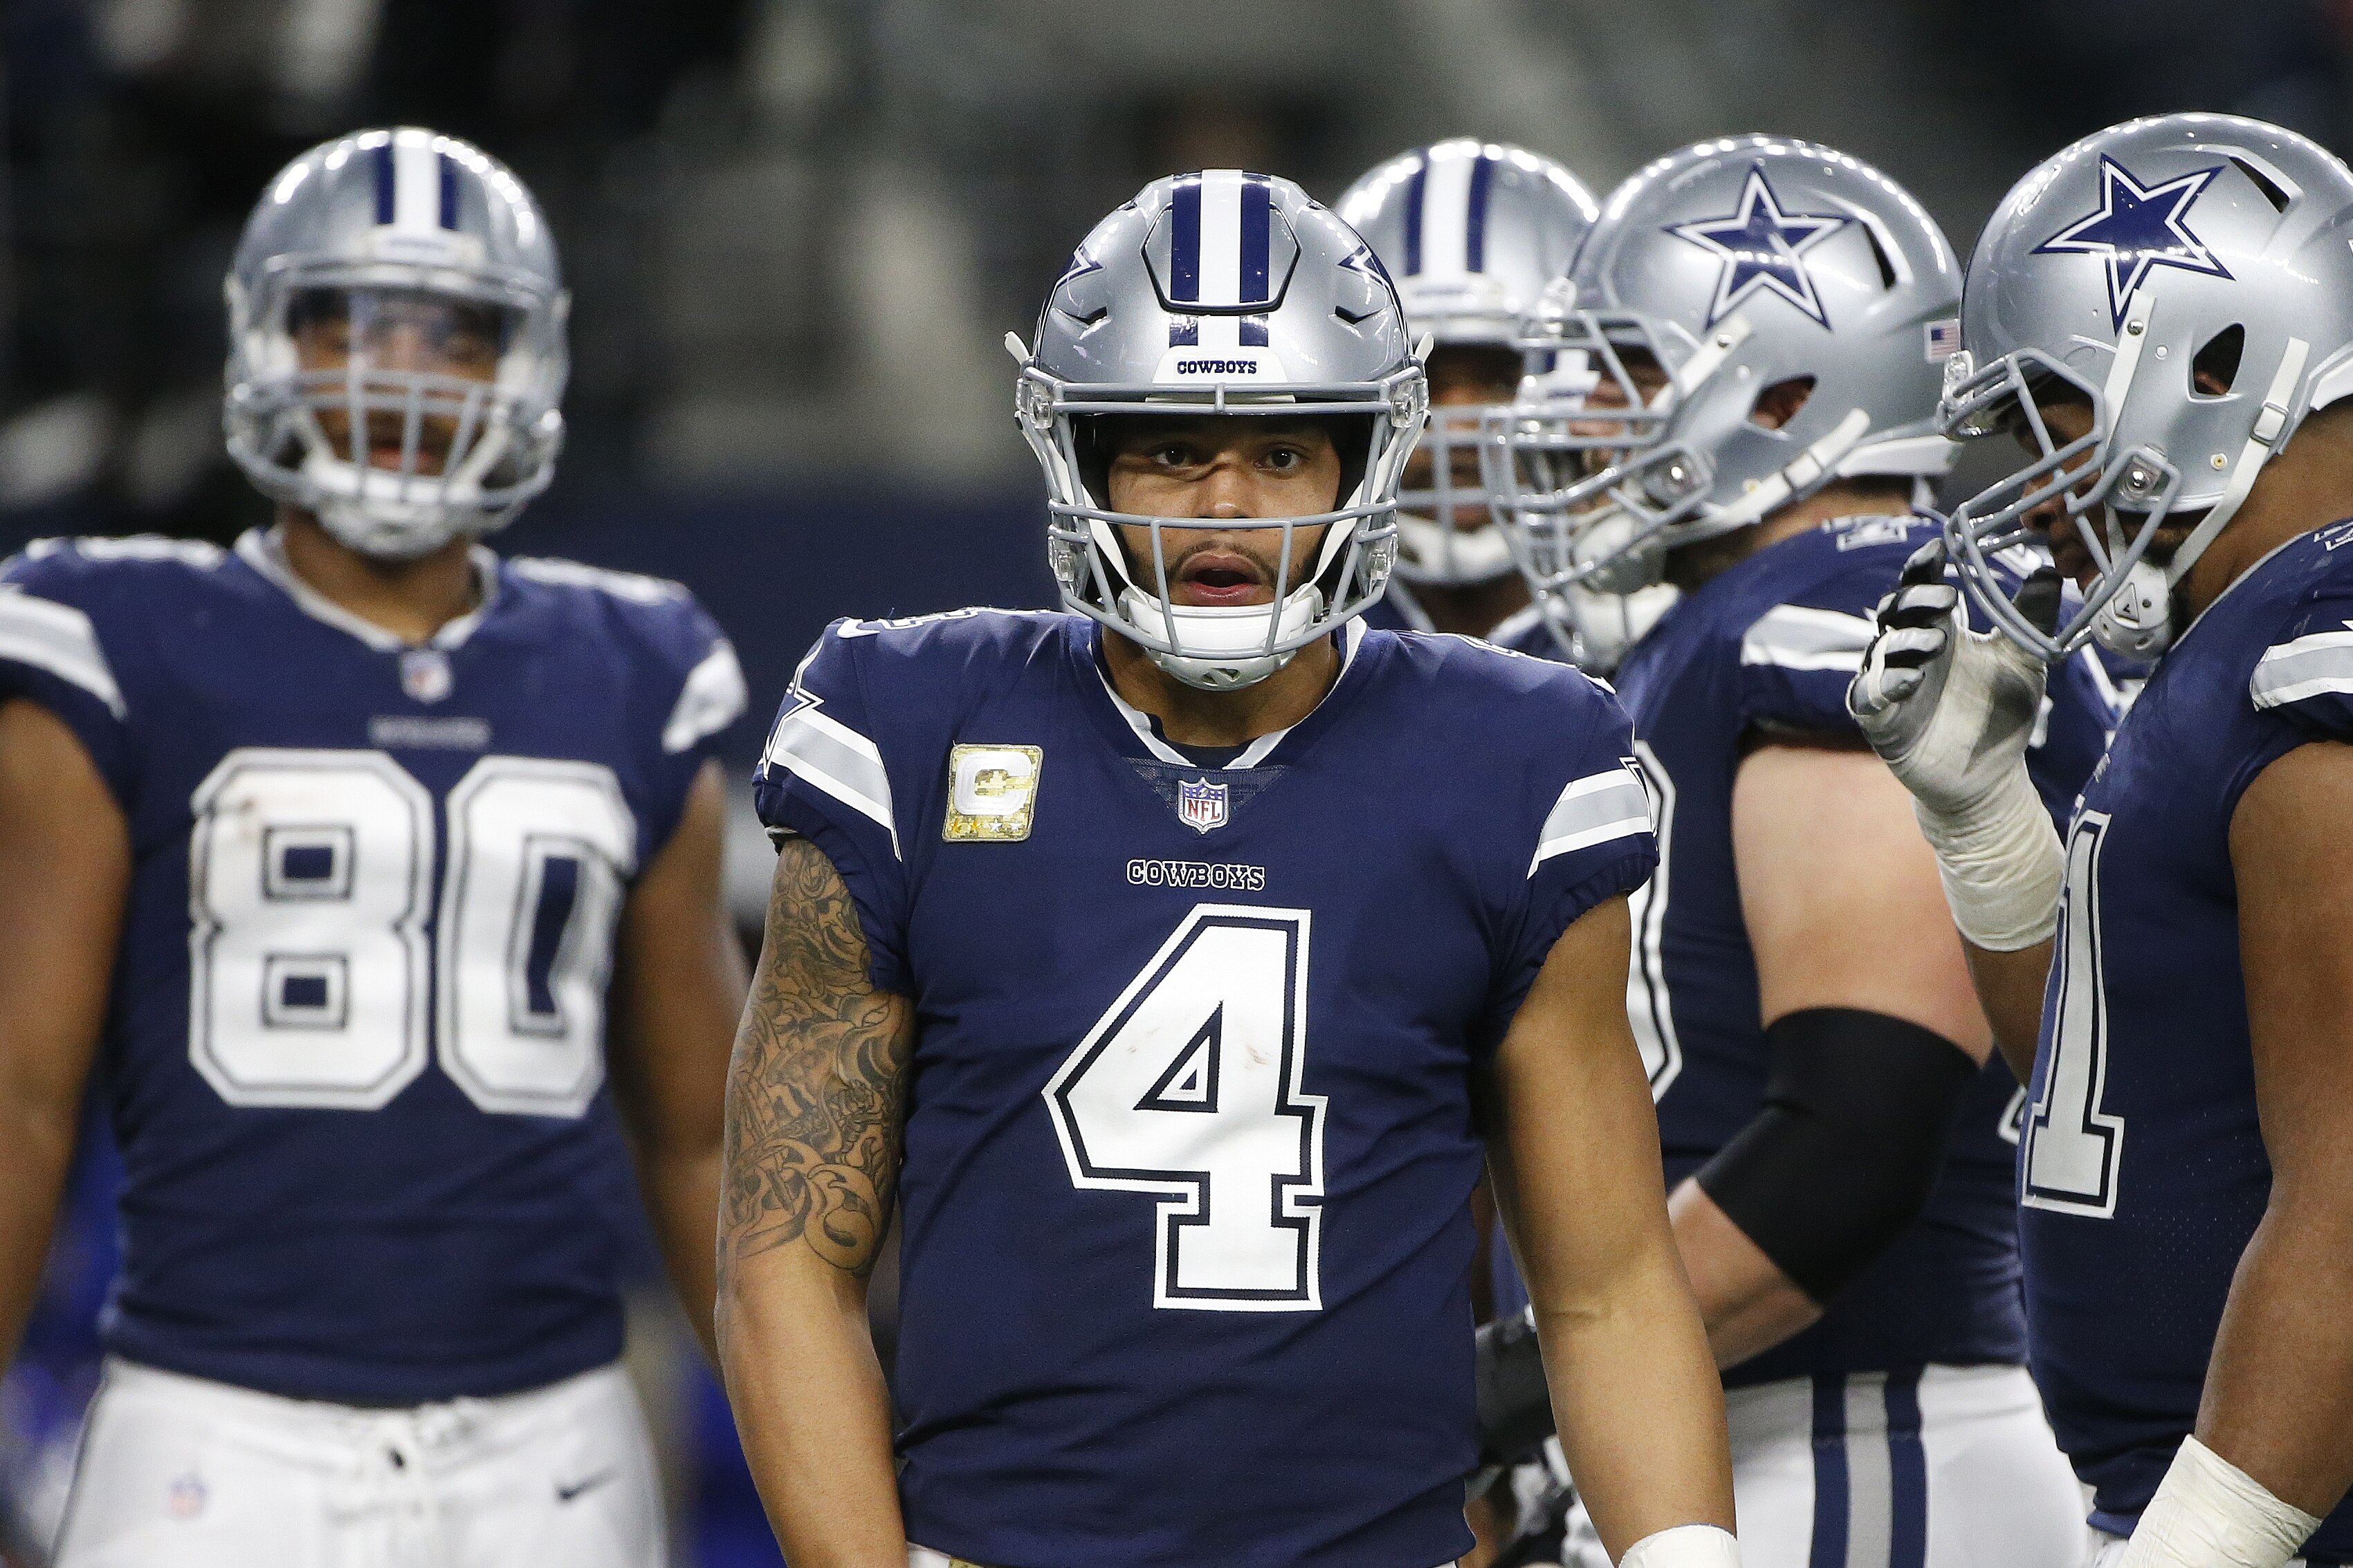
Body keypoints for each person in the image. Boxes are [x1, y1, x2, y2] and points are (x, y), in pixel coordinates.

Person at [717, 169, 1741, 1568]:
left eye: (1280, 450)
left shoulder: (1512, 755)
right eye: (1165, 447)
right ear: (1078, 457)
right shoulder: (907, 724)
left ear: (1360, 461)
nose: (1223, 503)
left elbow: (1606, 1286)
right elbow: (784, 1253)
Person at [0, 127, 748, 1567]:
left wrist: (845, 1482)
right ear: (264, 342)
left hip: (549, 1439)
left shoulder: (632, 664)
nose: (402, 370)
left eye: (453, 333)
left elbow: (703, 1135)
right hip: (214, 1422)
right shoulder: (120, 643)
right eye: (350, 322)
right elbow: (19, 1099)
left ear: (525, 363)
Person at [1486, 136, 2106, 1568]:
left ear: (1778, 396)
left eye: (1624, 372)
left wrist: (1505, 1385)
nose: (1579, 418)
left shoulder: (1851, 607)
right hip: (1743, 1421)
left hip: (1856, 1434)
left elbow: (1852, 1134)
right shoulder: (1723, 621)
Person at [1849, 111, 2353, 1568]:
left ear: (2218, 367)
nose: (2036, 484)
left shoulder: (2314, 647)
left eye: (2055, 413)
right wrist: (1982, 819)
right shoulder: (2237, 634)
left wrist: (2207, 1537)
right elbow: (2133, 1087)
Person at [1336, 139, 1597, 643]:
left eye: (1503, 380)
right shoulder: (1295, 639)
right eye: (1419, 381)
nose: (1457, 423)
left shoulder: (1653, 624)